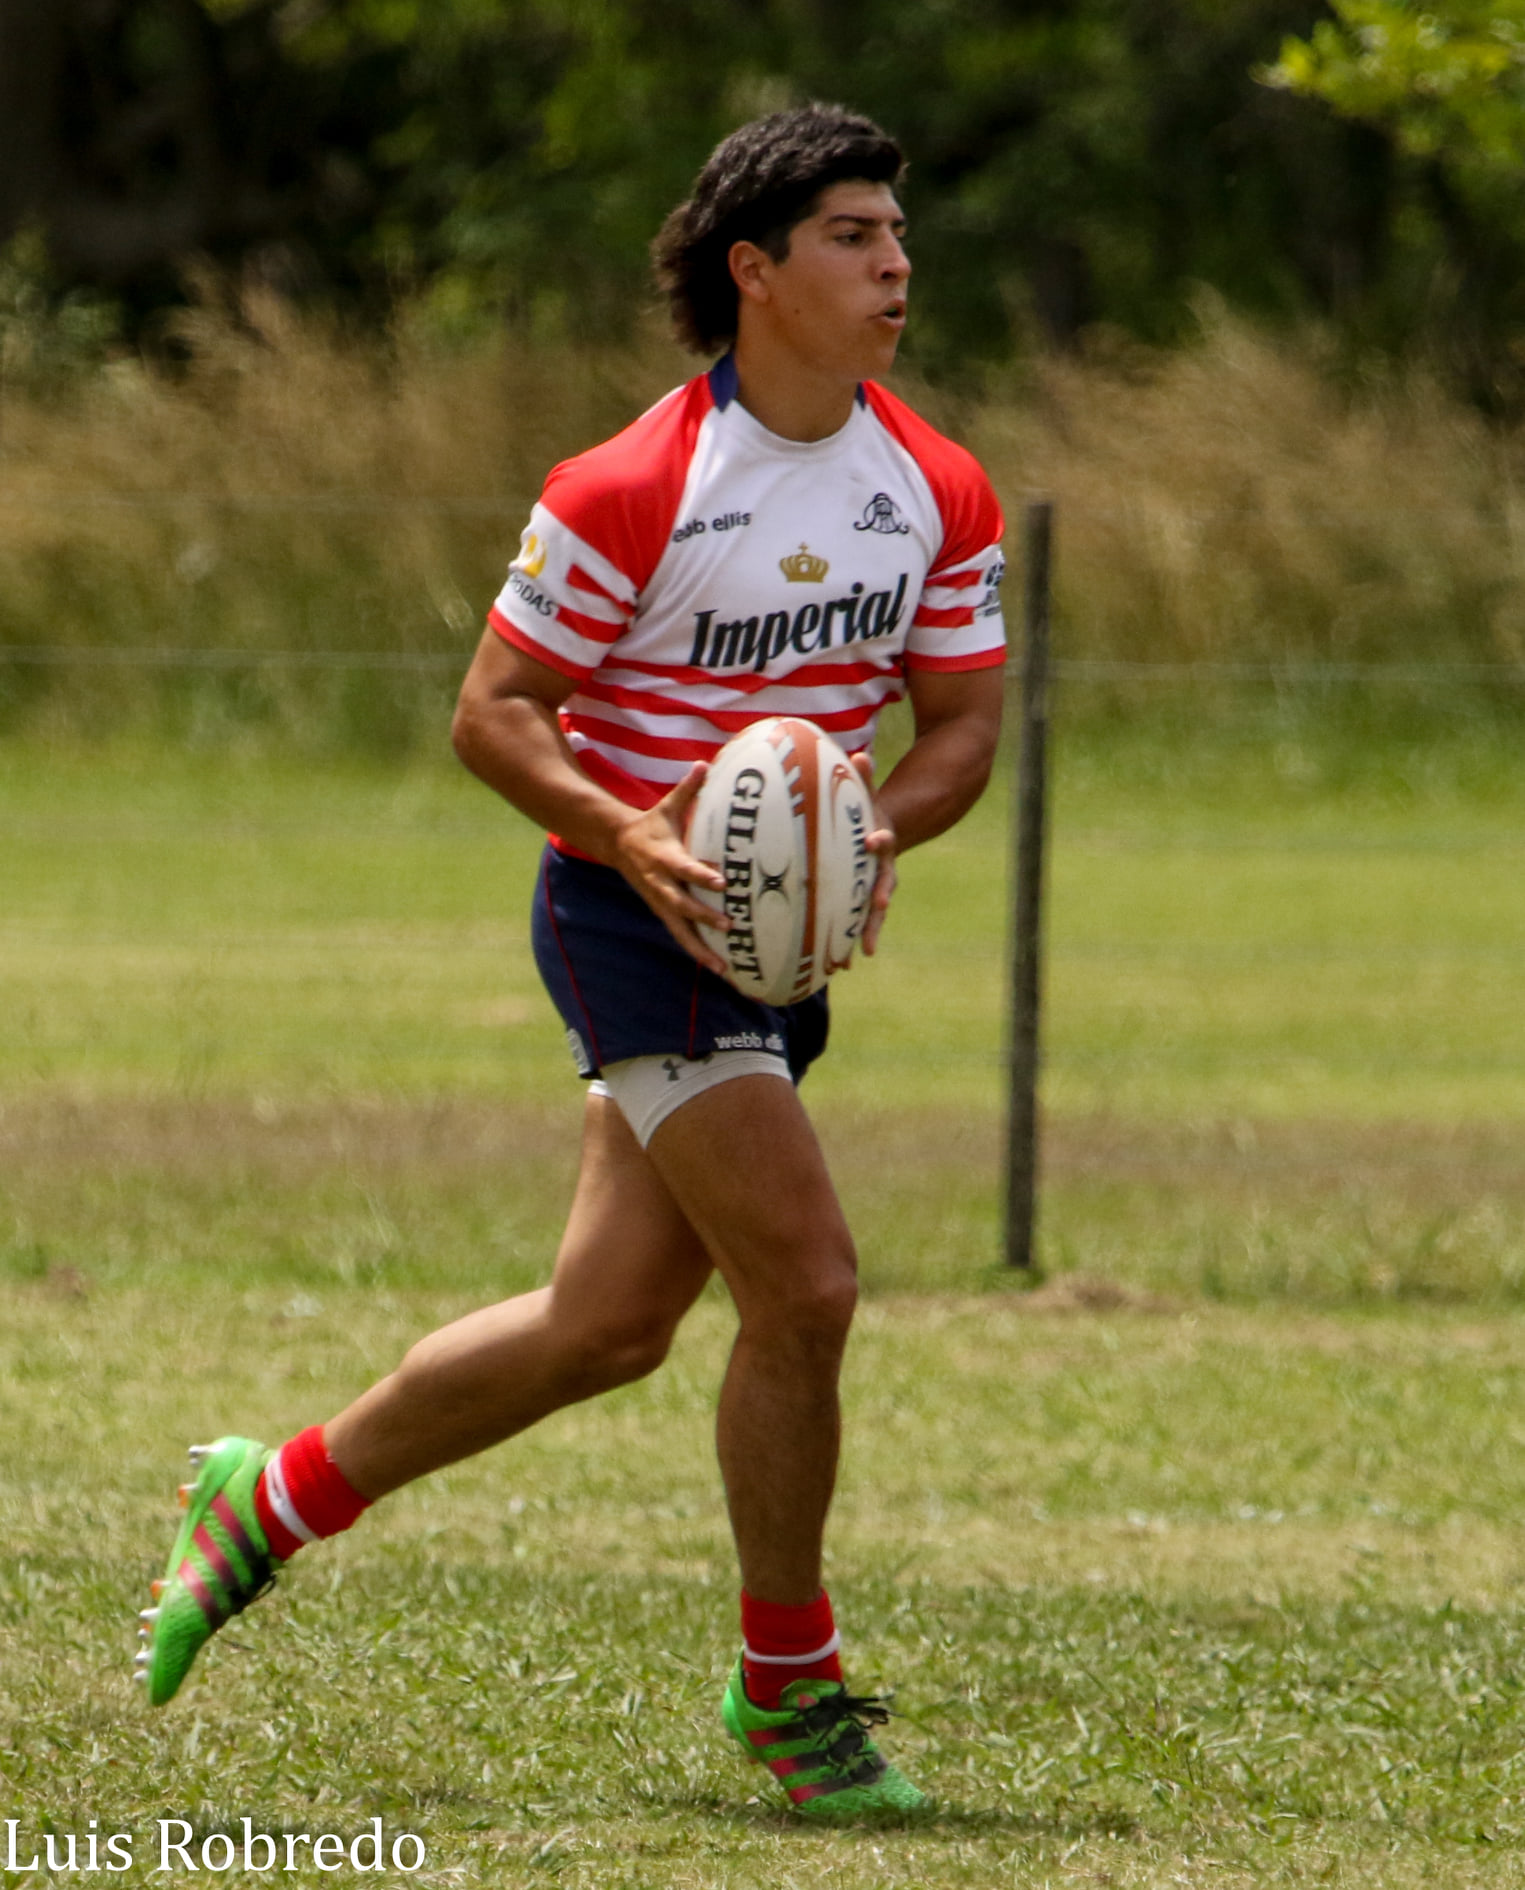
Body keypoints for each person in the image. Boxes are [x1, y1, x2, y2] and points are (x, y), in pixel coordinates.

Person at [136, 101, 1006, 1822]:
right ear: (754, 271)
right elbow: (493, 716)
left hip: (770, 936)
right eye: (851, 234)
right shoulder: (630, 487)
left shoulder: (934, 484)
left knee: (607, 1325)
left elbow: (965, 723)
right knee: (809, 1289)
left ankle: (271, 1494)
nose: (894, 262)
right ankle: (792, 1691)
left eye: (897, 232)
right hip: (632, 914)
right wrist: (631, 832)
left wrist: (874, 833)